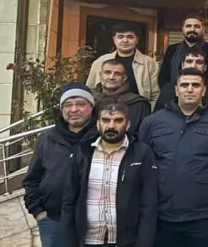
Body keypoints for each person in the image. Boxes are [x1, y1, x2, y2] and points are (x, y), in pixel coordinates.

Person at [138, 68, 208, 247]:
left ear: (203, 90)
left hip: (204, 216)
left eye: (195, 85)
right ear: (176, 90)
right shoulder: (153, 122)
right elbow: (143, 164)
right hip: (162, 215)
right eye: (184, 85)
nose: (190, 89)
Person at [60, 100, 158, 247]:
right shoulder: (83, 151)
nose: (111, 126)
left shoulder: (141, 153)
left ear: (128, 124)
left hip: (126, 241)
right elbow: (69, 201)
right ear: (98, 123)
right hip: (88, 240)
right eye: (106, 120)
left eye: (118, 120)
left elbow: (149, 204)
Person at [24, 83, 98, 247]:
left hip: (93, 222)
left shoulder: (102, 139)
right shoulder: (47, 139)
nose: (74, 109)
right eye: (68, 105)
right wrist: (38, 211)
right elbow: (32, 179)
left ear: (91, 107)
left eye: (80, 104)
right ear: (61, 109)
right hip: (52, 220)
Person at [87, 23, 160, 105]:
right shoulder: (100, 62)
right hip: (105, 109)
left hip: (138, 109)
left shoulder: (149, 63)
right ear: (114, 39)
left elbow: (156, 96)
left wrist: (147, 111)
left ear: (137, 40)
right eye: (120, 37)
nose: (125, 40)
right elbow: (89, 90)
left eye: (130, 37)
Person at [91, 57, 151, 138]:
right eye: (107, 73)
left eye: (117, 74)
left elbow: (140, 134)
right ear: (100, 75)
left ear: (124, 78)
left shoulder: (138, 104)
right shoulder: (88, 99)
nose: (111, 77)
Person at [159, 14, 208, 88]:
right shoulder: (172, 49)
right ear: (183, 28)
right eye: (188, 26)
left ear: (203, 29)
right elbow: (163, 78)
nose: (192, 29)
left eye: (196, 26)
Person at [154, 47, 208, 111]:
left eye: (199, 62)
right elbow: (158, 114)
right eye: (189, 61)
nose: (193, 66)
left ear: (205, 67)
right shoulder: (168, 89)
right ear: (182, 65)